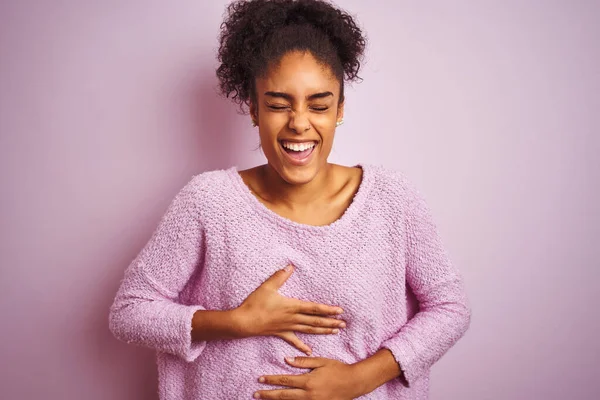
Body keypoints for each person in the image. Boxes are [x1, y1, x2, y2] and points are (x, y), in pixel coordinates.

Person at [108, 0, 471, 399]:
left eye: (319, 105)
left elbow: (450, 308)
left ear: (339, 111)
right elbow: (129, 312)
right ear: (253, 109)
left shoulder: (391, 200)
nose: (299, 122)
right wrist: (236, 322)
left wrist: (358, 379)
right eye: (279, 105)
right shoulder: (207, 202)